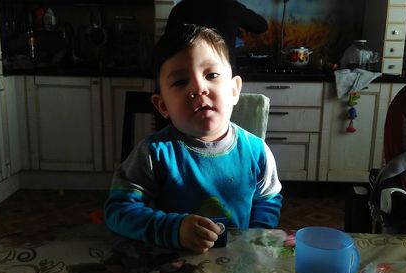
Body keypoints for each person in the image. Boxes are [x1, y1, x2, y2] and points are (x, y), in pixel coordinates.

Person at [104, 24, 282, 253]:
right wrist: (173, 230)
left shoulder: (257, 151)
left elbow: (268, 199)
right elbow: (118, 211)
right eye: (180, 82)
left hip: (237, 264)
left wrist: (254, 237)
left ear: (234, 90)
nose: (199, 88)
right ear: (163, 105)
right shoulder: (154, 154)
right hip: (173, 265)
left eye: (212, 75)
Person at [164, 0, 268, 74]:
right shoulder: (231, 6)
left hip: (189, 73)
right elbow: (262, 26)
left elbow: (167, 45)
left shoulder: (181, 8)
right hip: (223, 73)